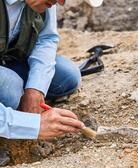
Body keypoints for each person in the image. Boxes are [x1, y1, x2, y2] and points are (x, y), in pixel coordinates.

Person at [0, 0, 103, 140]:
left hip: (8, 60)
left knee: (68, 76)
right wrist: (32, 125)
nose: (60, 3)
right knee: (10, 89)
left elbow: (46, 39)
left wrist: (35, 88)